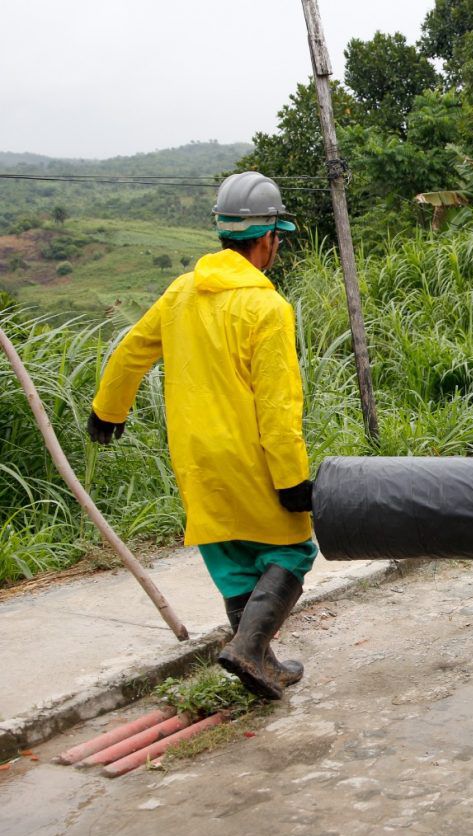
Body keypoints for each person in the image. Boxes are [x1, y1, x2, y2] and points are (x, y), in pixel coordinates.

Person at [87, 171, 315, 700]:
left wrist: (108, 410)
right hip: (251, 460)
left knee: (234, 564)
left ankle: (263, 665)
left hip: (194, 461)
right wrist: (291, 479)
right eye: (276, 239)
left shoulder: (181, 293)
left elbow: (130, 351)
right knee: (294, 551)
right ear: (267, 239)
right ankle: (249, 649)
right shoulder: (267, 307)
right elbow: (279, 407)